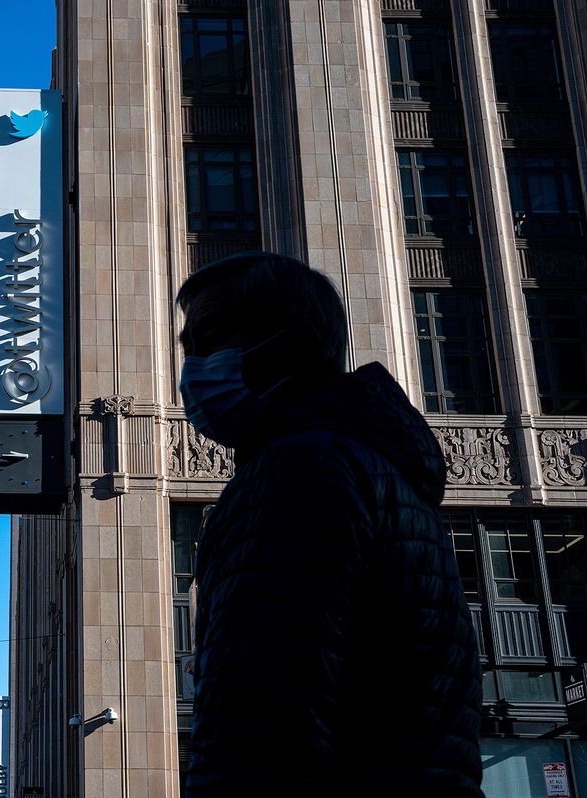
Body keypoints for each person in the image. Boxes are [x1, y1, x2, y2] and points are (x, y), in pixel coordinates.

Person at [178, 253, 482, 797]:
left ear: (293, 342)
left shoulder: (300, 471)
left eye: (212, 336)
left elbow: (260, 737)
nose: (194, 366)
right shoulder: (379, 469)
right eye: (189, 348)